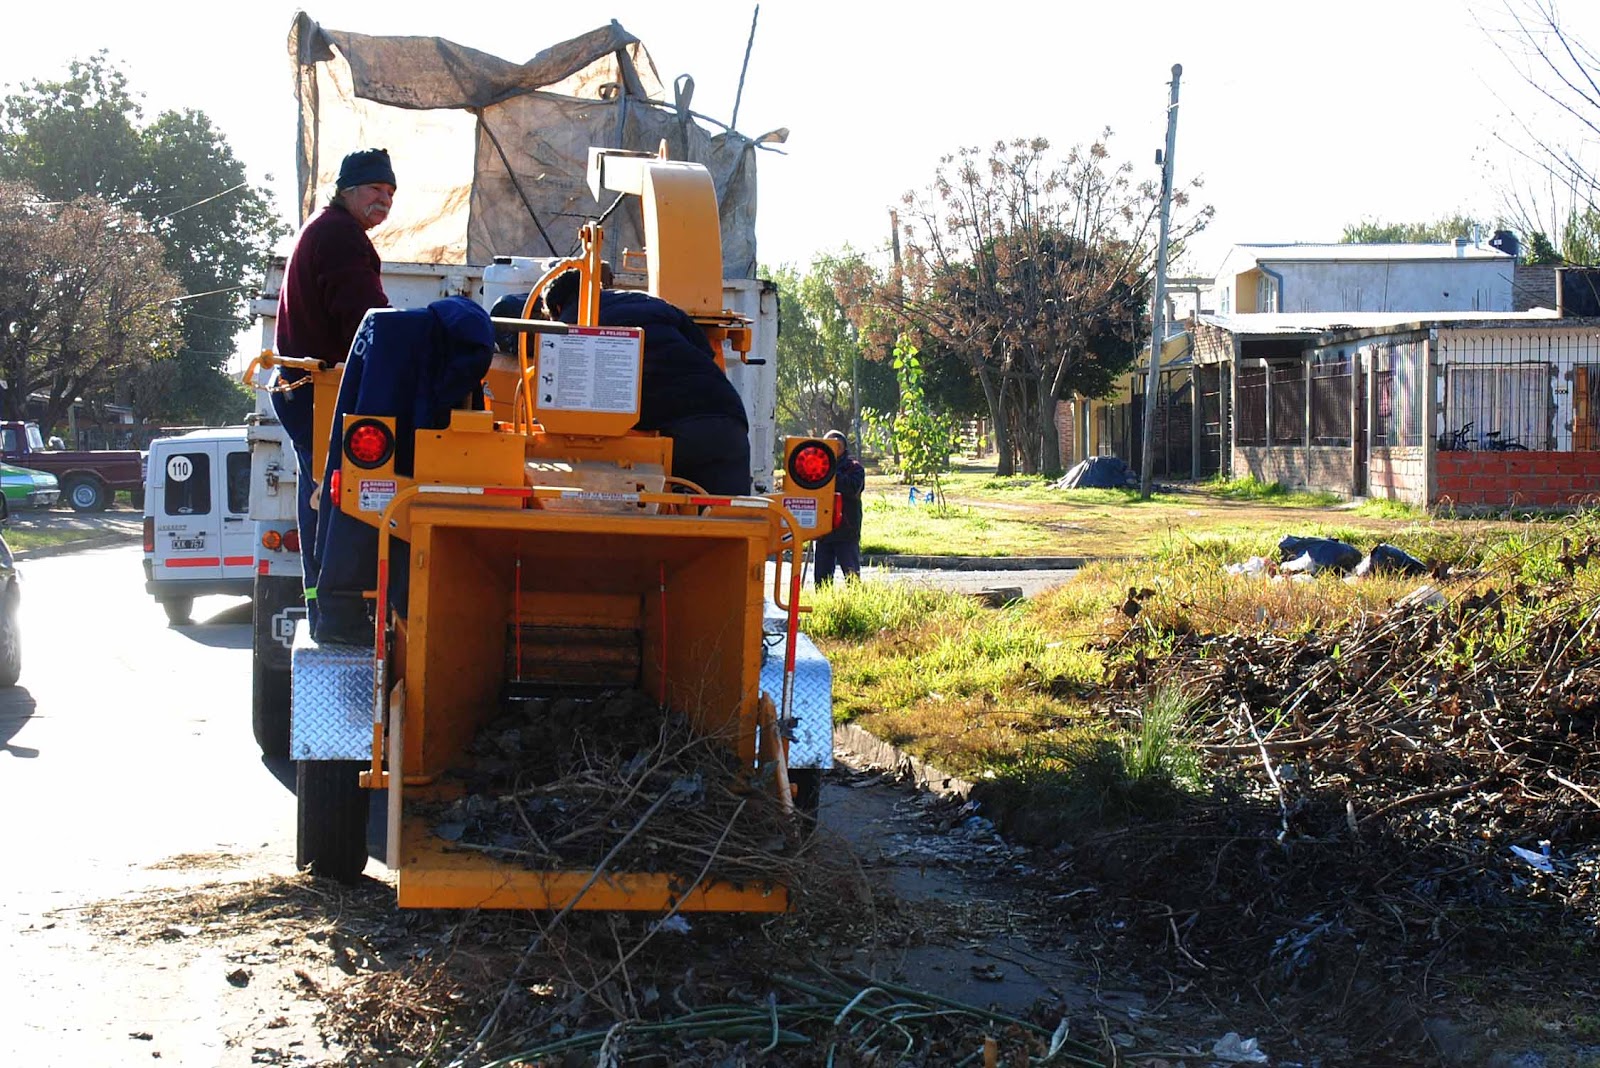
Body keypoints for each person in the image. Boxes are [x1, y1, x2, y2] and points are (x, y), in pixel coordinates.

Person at [271, 148, 397, 633]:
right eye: (375, 189)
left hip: (303, 391)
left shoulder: (325, 229)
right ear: (347, 190)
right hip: (316, 393)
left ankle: (322, 611)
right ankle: (335, 616)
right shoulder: (341, 236)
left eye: (390, 192)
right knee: (331, 502)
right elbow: (366, 317)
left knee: (318, 497)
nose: (384, 200)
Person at [540, 269, 752, 496]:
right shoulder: (651, 303)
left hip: (674, 433)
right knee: (729, 513)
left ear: (558, 308)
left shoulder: (572, 323)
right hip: (728, 419)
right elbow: (705, 350)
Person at [814, 429, 866, 586]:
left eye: (835, 445)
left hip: (846, 530)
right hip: (823, 531)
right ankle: (824, 601)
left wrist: (830, 473)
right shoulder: (816, 468)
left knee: (852, 577)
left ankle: (856, 601)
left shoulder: (854, 468)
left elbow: (852, 488)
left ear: (842, 447)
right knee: (822, 580)